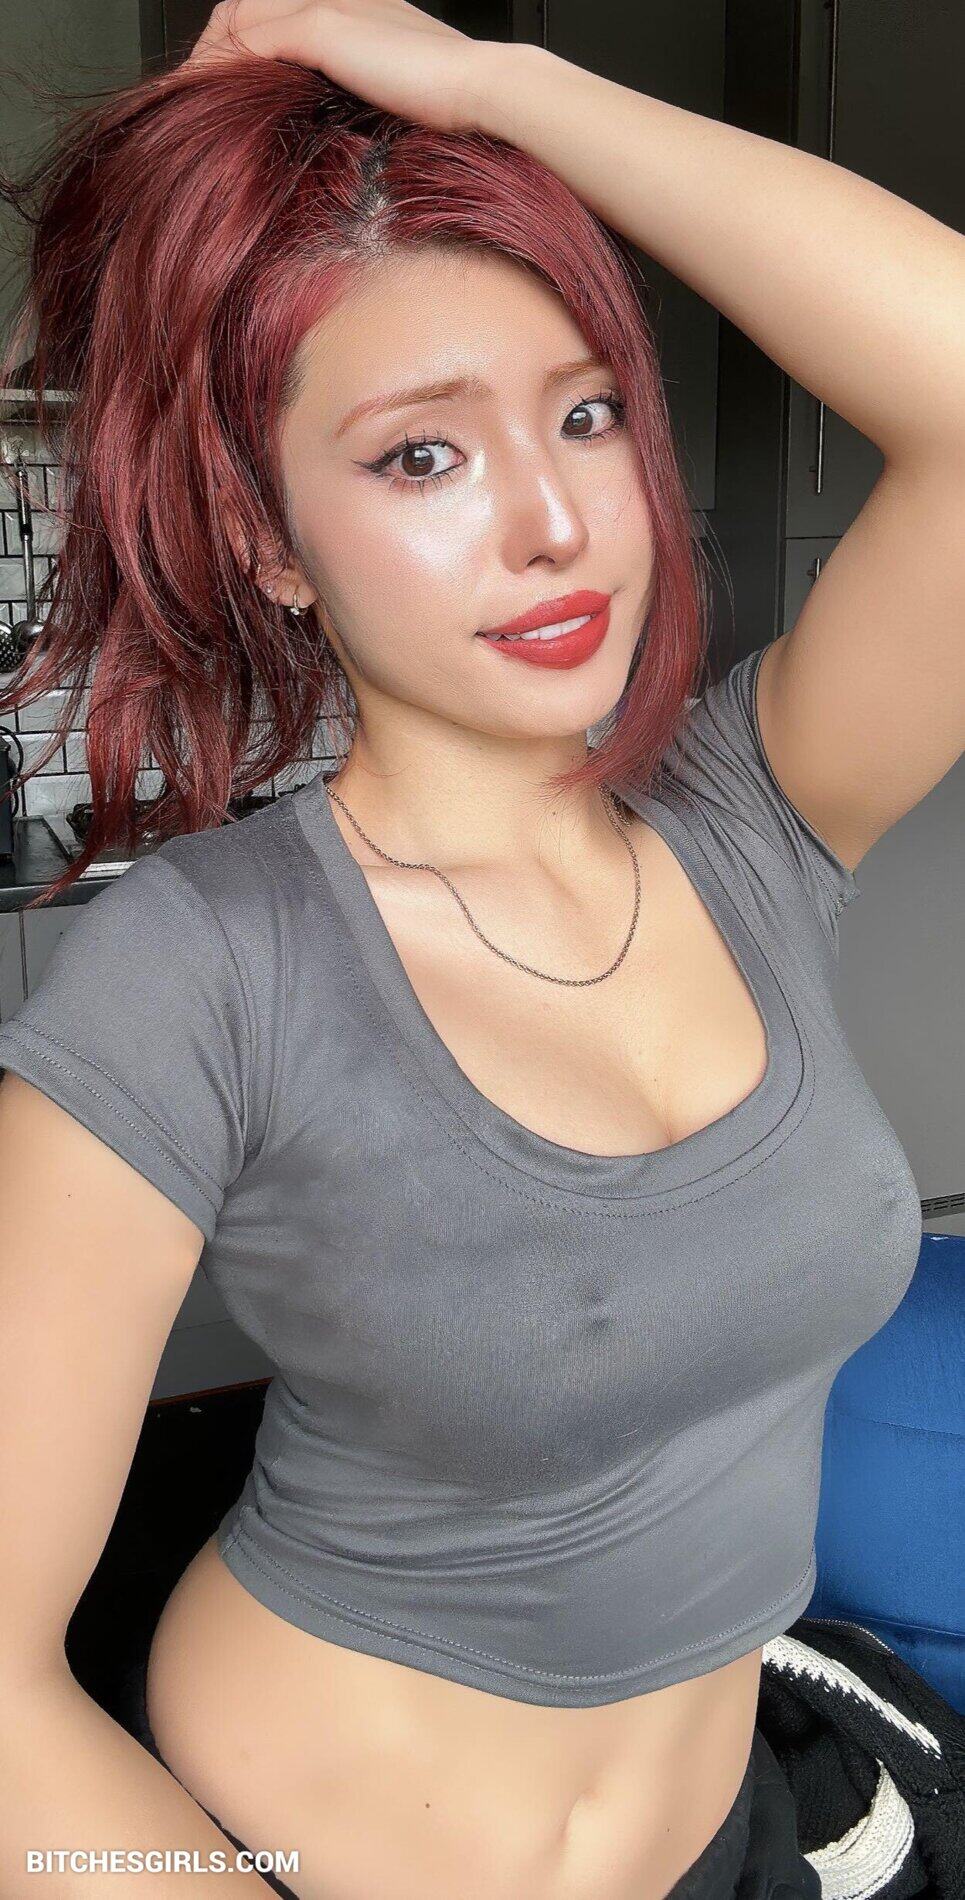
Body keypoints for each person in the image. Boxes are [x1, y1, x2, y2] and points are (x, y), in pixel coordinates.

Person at [0, 4, 962, 1896]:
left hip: (720, 1828)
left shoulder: (753, 821)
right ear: (272, 542)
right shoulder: (202, 971)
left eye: (584, 415)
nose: (551, 523)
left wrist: (488, 83)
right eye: (421, 457)